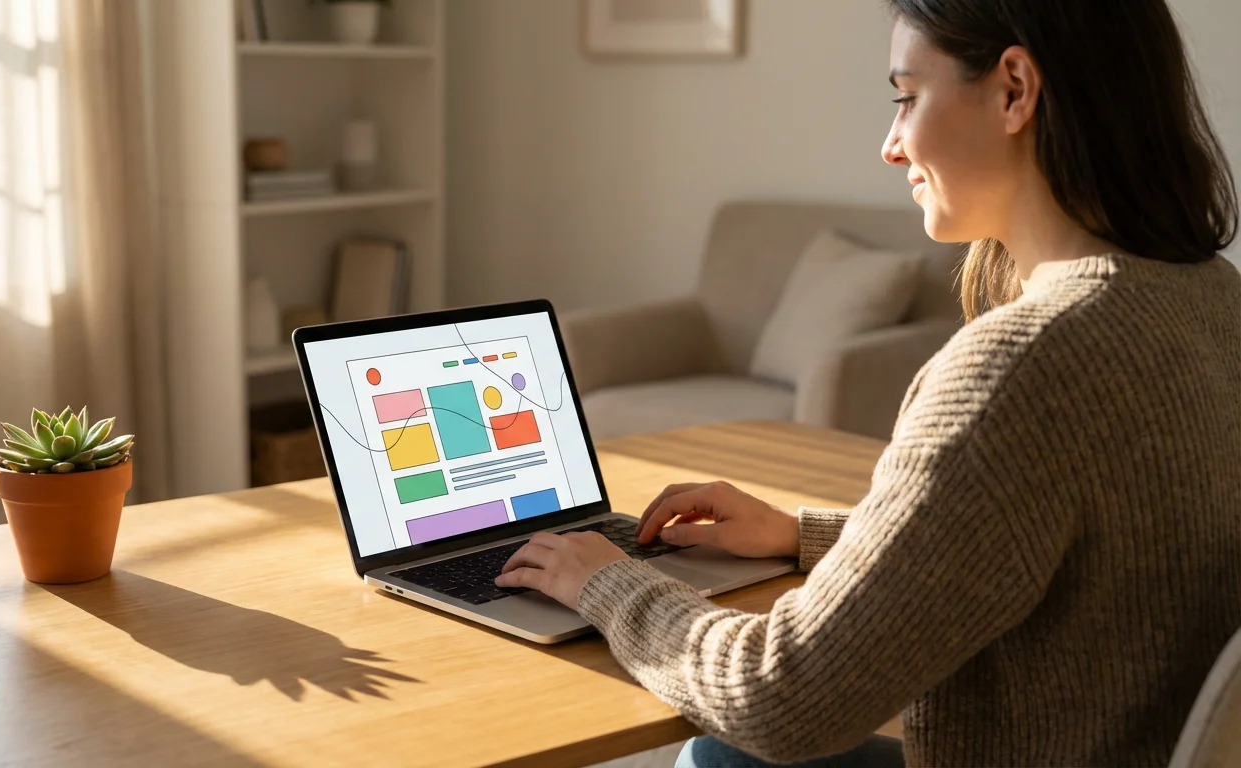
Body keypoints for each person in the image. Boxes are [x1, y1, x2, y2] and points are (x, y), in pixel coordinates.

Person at [494, 0, 1241, 765]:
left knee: (723, 753)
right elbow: (1059, 548)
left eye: (907, 96)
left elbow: (779, 700)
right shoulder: (1215, 297)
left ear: (1015, 88)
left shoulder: (1021, 364)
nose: (890, 145)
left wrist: (609, 583)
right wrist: (801, 535)